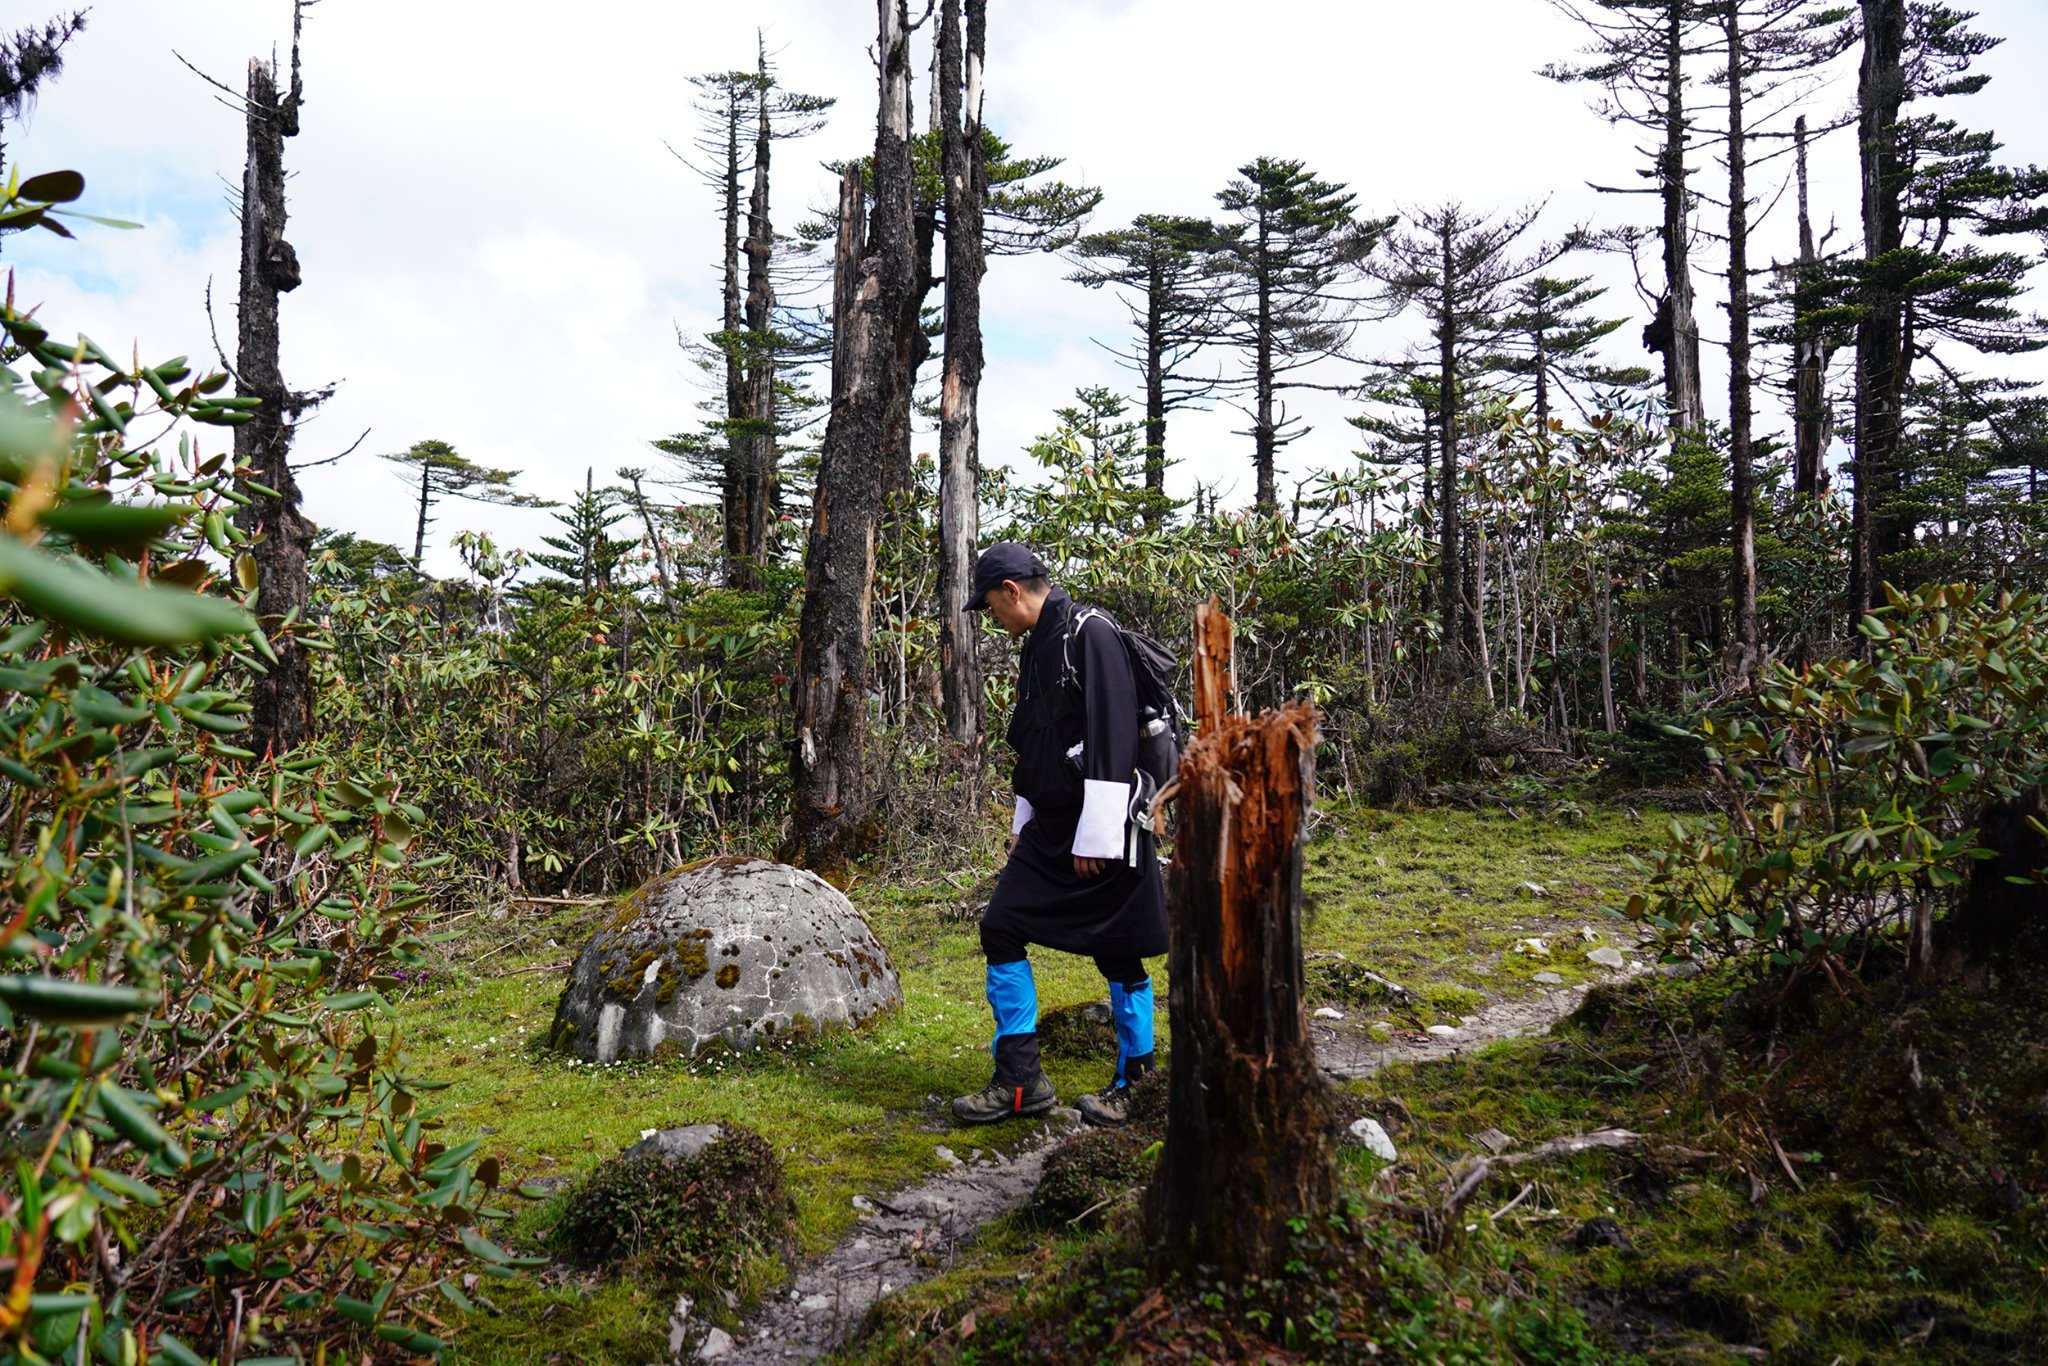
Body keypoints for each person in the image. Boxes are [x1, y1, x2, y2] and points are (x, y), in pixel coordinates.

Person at [951, 542, 1166, 1127]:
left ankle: (1137, 1084)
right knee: (1001, 925)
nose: (992, 617)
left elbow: (1115, 735)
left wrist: (1098, 838)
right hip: (1049, 829)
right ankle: (1021, 1079)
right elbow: (1036, 743)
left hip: (1102, 830)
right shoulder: (1037, 648)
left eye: (992, 606)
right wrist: (1022, 825)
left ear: (1013, 591)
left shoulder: (1089, 632)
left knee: (1118, 950)